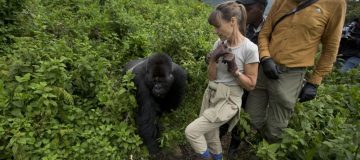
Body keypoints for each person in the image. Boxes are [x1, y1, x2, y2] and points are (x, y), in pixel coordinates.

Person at [245, 0, 346, 143]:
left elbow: (331, 48)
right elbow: (265, 33)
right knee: (251, 116)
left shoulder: (335, 4)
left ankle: (266, 151)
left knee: (276, 127)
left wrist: (314, 81)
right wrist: (265, 57)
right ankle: (248, 143)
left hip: (291, 74)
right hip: (264, 68)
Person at [185, 1, 259, 160]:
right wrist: (214, 58)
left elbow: (251, 85)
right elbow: (211, 77)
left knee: (192, 132)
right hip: (211, 94)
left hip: (229, 99)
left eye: (218, 26)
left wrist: (235, 71)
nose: (215, 31)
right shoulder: (219, 43)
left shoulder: (250, 48)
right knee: (211, 137)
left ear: (233, 21)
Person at [218, 0, 268, 157]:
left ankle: (233, 146)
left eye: (248, 8)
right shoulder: (241, 26)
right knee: (225, 110)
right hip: (235, 80)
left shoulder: (270, 30)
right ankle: (218, 138)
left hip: (254, 81)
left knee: (245, 113)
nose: (243, 11)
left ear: (260, 8)